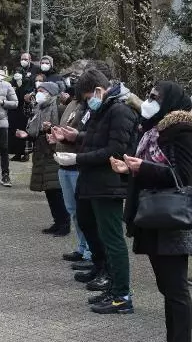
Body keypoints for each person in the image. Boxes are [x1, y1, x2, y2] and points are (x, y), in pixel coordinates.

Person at [111, 81, 192, 342]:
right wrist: (130, 170)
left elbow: (182, 176)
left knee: (176, 289)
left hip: (172, 219)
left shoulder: (184, 131)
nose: (149, 100)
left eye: (155, 97)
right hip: (154, 216)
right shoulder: (155, 129)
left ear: (171, 101)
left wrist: (142, 168)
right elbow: (154, 169)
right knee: (166, 287)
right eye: (149, 95)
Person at [53, 69, 139, 314]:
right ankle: (111, 284)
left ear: (100, 90)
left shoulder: (120, 110)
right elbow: (95, 138)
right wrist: (76, 137)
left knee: (112, 239)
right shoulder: (103, 108)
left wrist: (77, 158)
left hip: (108, 184)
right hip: (93, 181)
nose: (88, 101)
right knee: (91, 226)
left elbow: (115, 149)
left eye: (89, 95)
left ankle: (122, 295)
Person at [16, 82, 70, 236]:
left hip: (53, 153)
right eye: (37, 90)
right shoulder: (39, 108)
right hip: (41, 152)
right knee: (49, 190)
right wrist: (26, 135)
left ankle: (64, 223)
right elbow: (35, 131)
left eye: (42, 91)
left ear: (50, 93)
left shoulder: (58, 108)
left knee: (56, 190)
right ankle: (57, 221)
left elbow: (64, 130)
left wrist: (51, 127)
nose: (38, 93)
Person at [52, 89, 92, 264]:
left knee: (86, 213)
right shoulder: (72, 104)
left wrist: (72, 138)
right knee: (74, 211)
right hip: (64, 163)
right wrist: (59, 138)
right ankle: (82, 247)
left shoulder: (93, 106)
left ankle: (92, 253)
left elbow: (92, 137)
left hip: (79, 165)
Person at [10, 52, 39, 162]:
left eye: (25, 59)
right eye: (22, 59)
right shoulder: (18, 69)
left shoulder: (35, 69)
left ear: (30, 59)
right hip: (18, 103)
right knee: (17, 127)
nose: (23, 61)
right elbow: (13, 83)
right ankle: (17, 153)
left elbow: (36, 84)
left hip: (29, 103)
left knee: (27, 127)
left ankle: (26, 153)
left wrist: (31, 95)